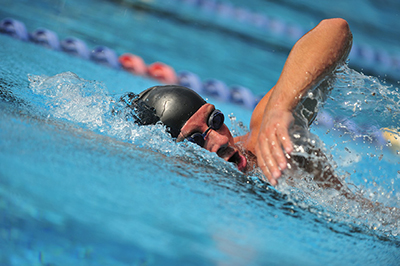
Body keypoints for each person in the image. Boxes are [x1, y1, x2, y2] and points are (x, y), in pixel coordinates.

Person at [122, 18, 353, 189]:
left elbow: (336, 30)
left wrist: (280, 108)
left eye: (216, 120)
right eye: (195, 140)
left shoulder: (271, 138)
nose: (221, 140)